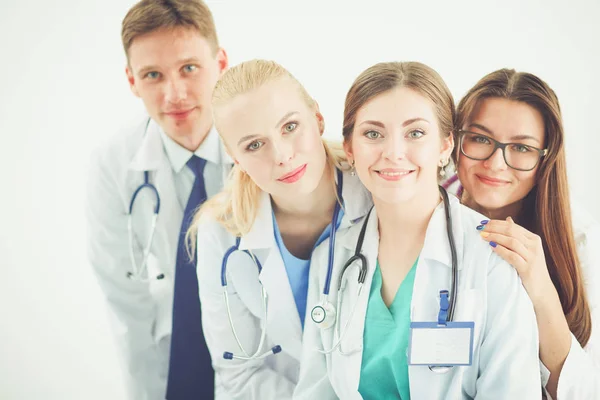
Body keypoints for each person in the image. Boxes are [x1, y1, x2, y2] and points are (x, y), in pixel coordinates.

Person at [294, 61, 542, 399]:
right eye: (373, 134)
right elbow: (315, 390)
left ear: (444, 146)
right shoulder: (332, 258)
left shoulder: (492, 256)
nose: (394, 153)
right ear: (350, 148)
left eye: (415, 133)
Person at [187, 59, 372, 399]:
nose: (283, 155)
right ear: (234, 156)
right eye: (254, 145)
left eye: (289, 127)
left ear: (317, 118)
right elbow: (238, 376)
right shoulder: (221, 234)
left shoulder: (380, 196)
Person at [85, 1, 229, 398]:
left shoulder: (268, 148)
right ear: (132, 81)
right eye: (153, 75)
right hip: (174, 362)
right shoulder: (114, 164)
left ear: (221, 62)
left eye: (189, 68)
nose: (175, 93)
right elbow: (125, 303)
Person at [444, 68, 600, 399]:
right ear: (455, 140)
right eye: (481, 139)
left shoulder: (581, 237)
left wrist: (539, 285)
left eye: (522, 148)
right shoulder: (426, 208)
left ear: (545, 158)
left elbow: (580, 392)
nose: (496, 163)